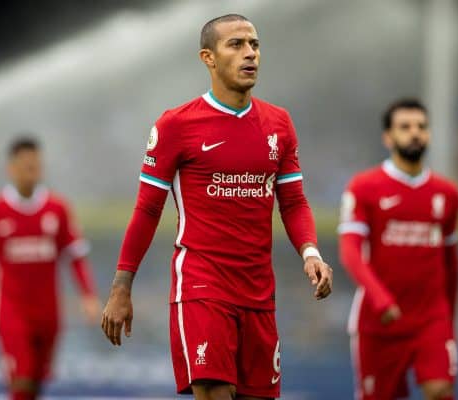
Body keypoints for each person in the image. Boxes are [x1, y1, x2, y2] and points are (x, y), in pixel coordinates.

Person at [101, 13, 333, 400]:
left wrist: (310, 253)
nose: (250, 54)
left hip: (259, 292)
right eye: (236, 45)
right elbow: (147, 211)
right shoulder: (176, 124)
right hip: (202, 286)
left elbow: (292, 200)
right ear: (207, 58)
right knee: (214, 392)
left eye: (255, 45)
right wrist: (121, 287)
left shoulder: (279, 124)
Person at [338, 98, 458, 400]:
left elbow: (451, 263)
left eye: (421, 126)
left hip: (431, 320)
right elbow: (350, 252)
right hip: (379, 322)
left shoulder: (447, 194)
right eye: (405, 127)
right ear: (388, 137)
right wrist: (380, 300)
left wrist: (448, 320)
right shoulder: (364, 187)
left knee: (440, 388)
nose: (415, 133)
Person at [0, 136, 100, 400]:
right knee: (22, 381)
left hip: (48, 313)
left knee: (36, 385)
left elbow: (75, 257)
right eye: (27, 166)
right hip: (11, 311)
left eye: (37, 166)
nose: (33, 172)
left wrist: (88, 296)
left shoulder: (58, 209)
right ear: (12, 168)